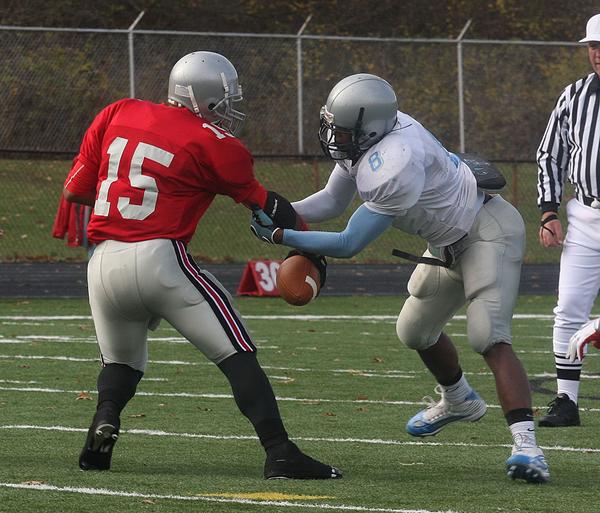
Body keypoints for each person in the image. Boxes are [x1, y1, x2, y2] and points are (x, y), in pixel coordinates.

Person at [250, 73, 549, 483]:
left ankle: (528, 447)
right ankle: (459, 399)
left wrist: (283, 234)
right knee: (414, 331)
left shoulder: (396, 159)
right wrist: (276, 209)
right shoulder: (369, 140)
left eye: (343, 130)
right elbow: (332, 201)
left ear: (370, 128)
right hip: (446, 242)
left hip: (486, 231)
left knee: (488, 336)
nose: (334, 136)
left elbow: (349, 241)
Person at [61, 50, 341, 480]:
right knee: (236, 352)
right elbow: (266, 207)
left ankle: (104, 424)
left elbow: (78, 189)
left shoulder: (118, 111)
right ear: (202, 98)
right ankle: (280, 451)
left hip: (102, 263)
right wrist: (311, 248)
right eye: (225, 101)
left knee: (120, 361)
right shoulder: (214, 142)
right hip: (159, 258)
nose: (229, 111)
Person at [536, 13, 600, 428]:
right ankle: (566, 401)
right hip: (586, 214)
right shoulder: (574, 95)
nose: (597, 55)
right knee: (569, 310)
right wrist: (548, 210)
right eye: (594, 47)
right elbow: (550, 153)